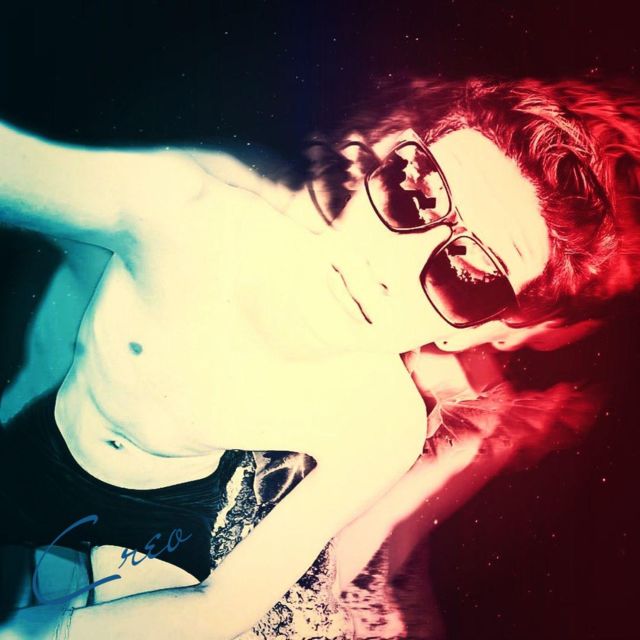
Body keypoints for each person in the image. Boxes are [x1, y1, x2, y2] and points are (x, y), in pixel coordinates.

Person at [1, 77, 638, 639]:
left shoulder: (383, 425)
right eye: (413, 191)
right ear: (373, 170)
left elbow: (221, 606)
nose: (392, 264)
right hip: (37, 444)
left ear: (468, 333)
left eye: (471, 274)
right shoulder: (182, 216)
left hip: (167, 517)